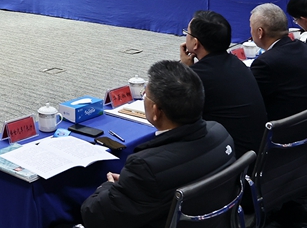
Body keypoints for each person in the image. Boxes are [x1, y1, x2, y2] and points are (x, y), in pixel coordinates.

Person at [80, 60, 234, 228]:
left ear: (156, 110)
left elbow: (93, 214)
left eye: (145, 94)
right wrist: (129, 186)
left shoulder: (145, 167)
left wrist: (108, 187)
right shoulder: (221, 133)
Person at [179, 11, 266, 157]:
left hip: (231, 159)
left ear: (195, 43)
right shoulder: (236, 63)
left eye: (187, 33)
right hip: (254, 152)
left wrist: (186, 71)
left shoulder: (198, 76)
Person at [248, 3, 307, 135]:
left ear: (260, 32)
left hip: (294, 134)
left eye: (251, 27)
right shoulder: (302, 46)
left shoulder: (265, 63)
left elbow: (251, 100)